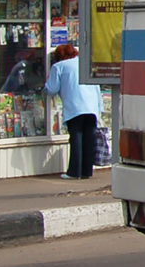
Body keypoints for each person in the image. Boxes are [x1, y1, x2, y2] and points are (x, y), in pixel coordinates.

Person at [44, 44, 102, 180]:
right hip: (92, 107)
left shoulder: (58, 67)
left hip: (75, 107)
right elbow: (97, 87)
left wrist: (44, 88)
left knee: (76, 138)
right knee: (88, 140)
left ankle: (74, 172)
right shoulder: (86, 64)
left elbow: (52, 89)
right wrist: (99, 109)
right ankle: (87, 171)